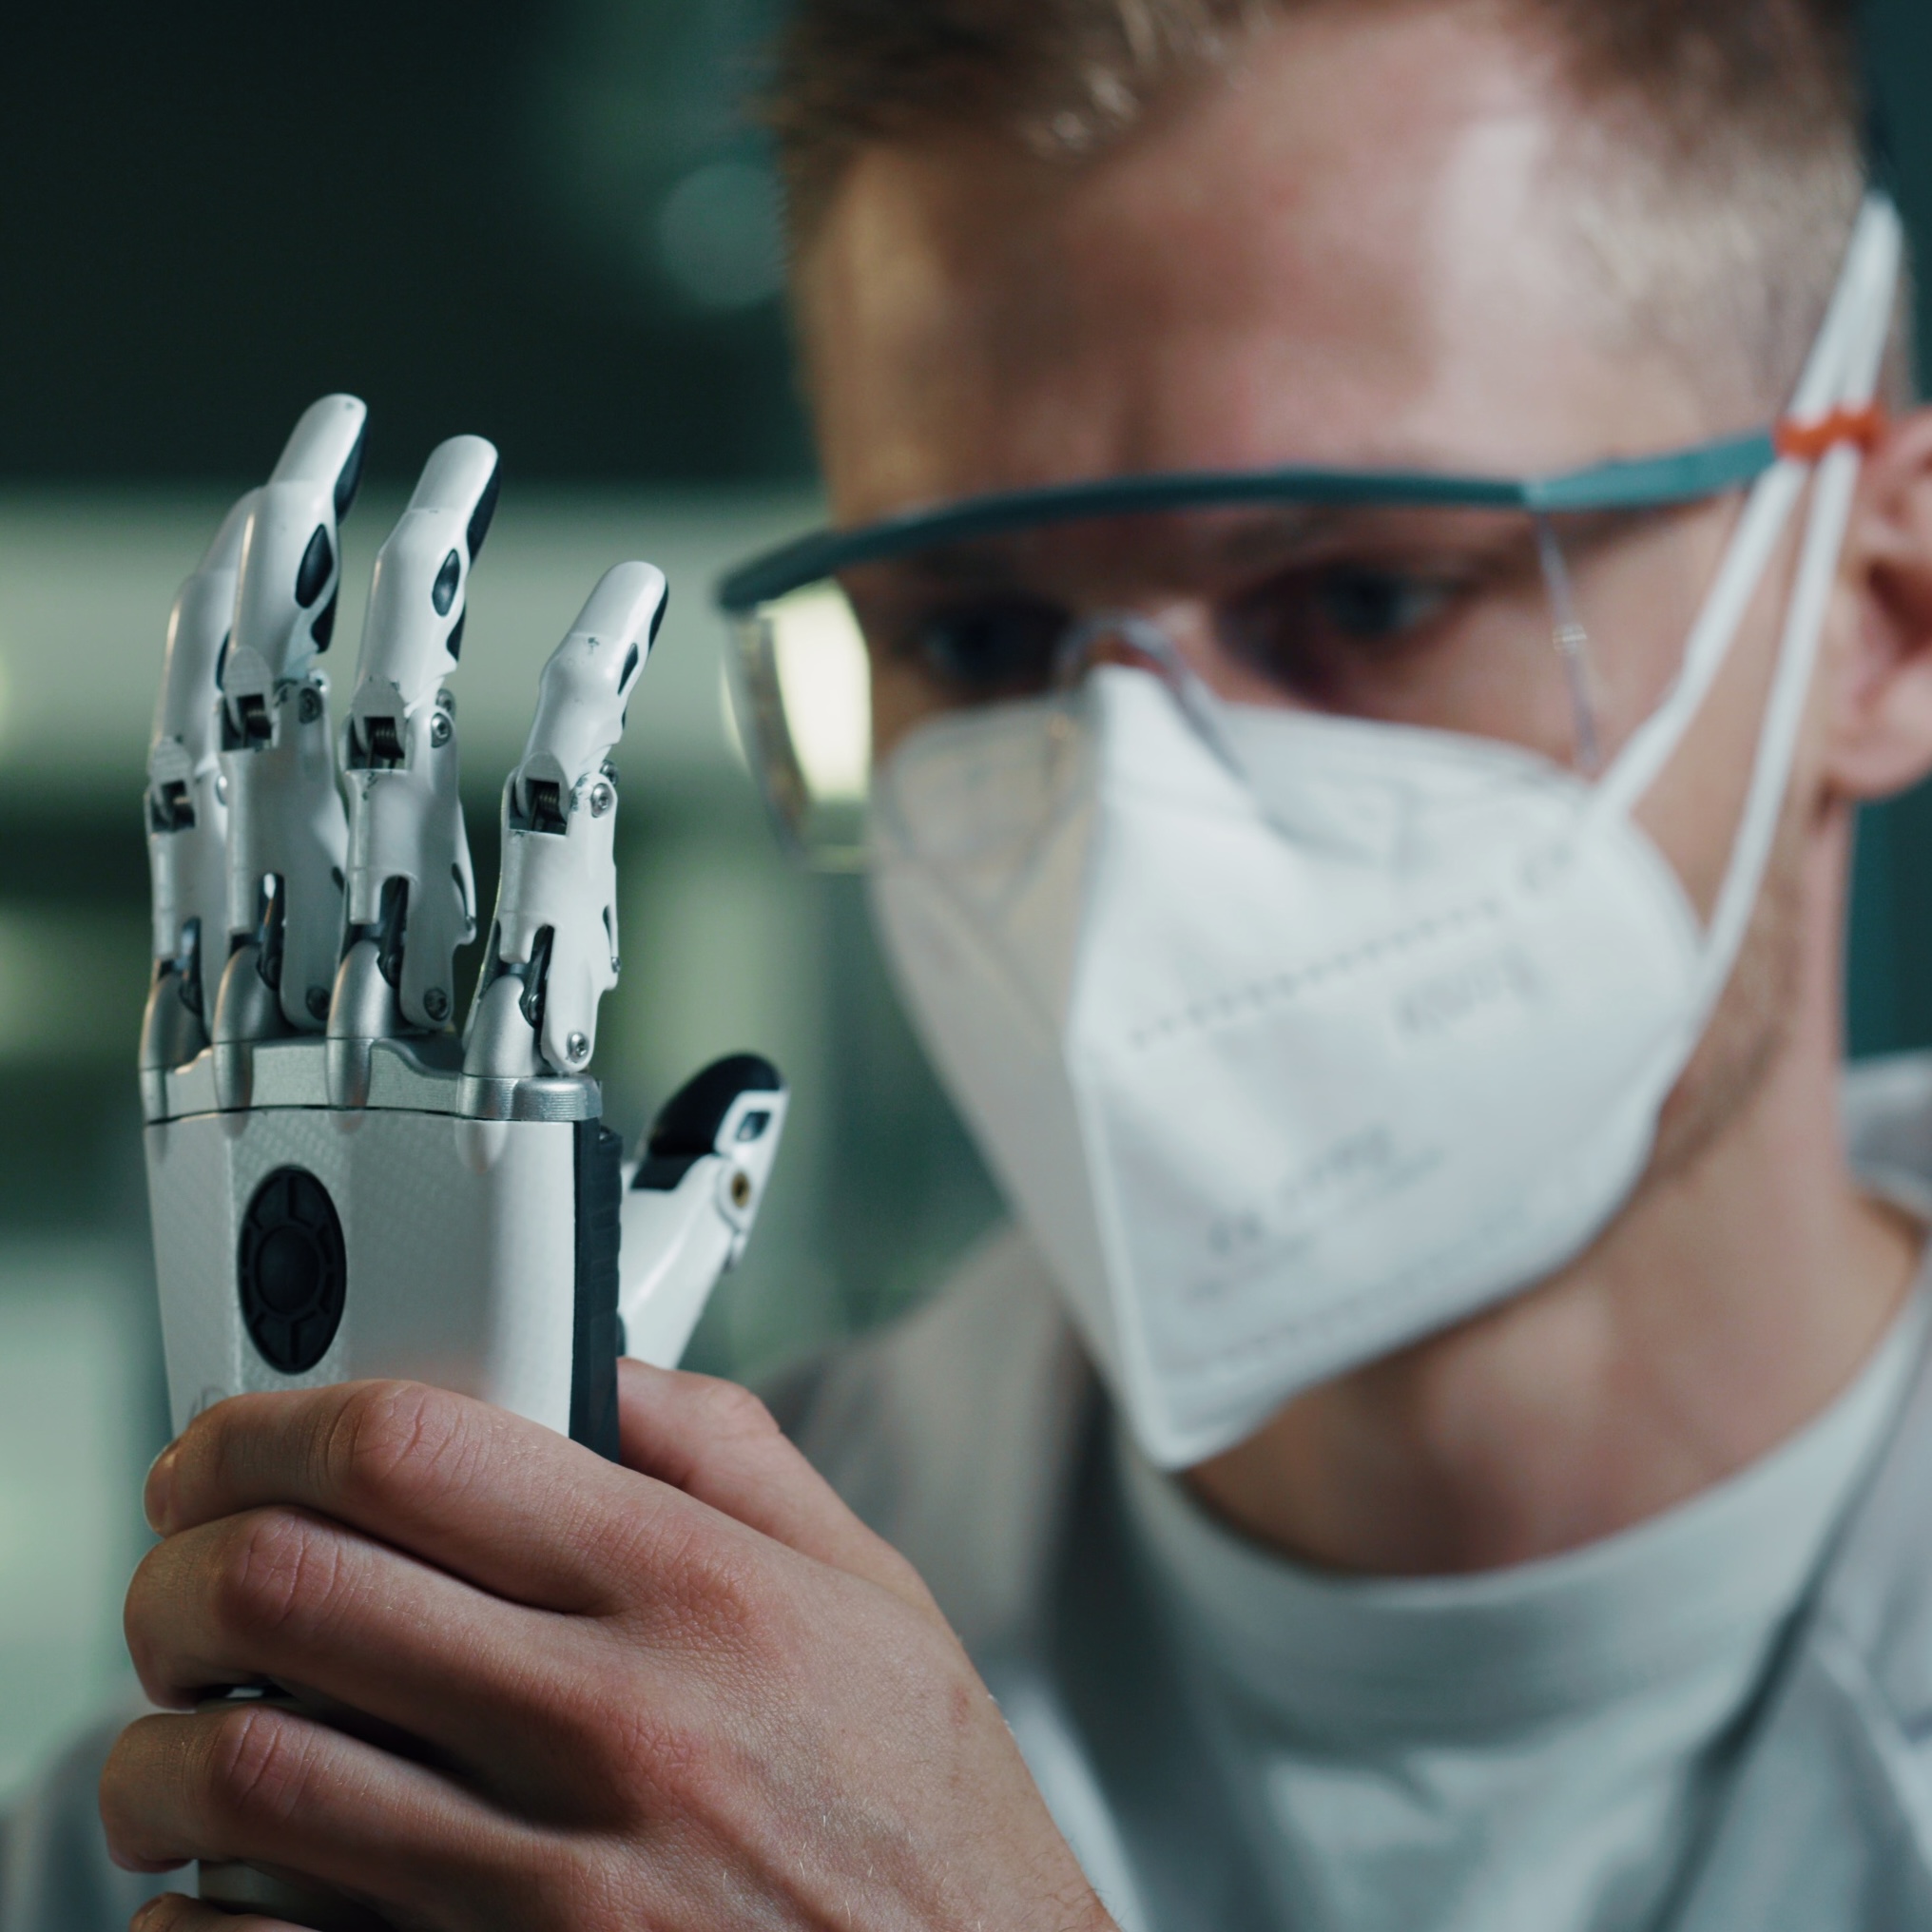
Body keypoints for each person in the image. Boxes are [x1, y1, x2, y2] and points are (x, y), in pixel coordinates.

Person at [11, 0, 1932, 1925]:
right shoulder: (470, 1760)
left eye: (1365, 593)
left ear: (1879, 614)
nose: (1129, 814)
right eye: (976, 634)